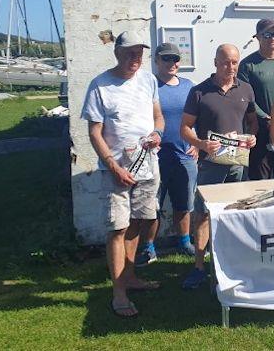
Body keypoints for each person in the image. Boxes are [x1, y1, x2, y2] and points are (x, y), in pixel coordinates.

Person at [80, 30, 164, 318]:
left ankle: (129, 277)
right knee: (117, 229)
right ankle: (118, 293)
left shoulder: (149, 80)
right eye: (129, 53)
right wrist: (113, 166)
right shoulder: (100, 86)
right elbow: (94, 132)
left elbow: (158, 117)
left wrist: (157, 133)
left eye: (139, 53)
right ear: (117, 53)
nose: (135, 59)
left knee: (141, 222)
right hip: (115, 170)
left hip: (147, 165)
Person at [180, 44, 258, 289]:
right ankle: (199, 266)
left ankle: (228, 262)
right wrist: (201, 143)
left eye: (234, 62)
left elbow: (252, 122)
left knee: (233, 213)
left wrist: (252, 137)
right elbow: (184, 128)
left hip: (237, 164)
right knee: (202, 215)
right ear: (215, 63)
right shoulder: (199, 92)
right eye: (225, 62)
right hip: (210, 165)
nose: (230, 67)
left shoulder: (245, 88)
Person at [135, 43, 197, 267]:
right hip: (156, 158)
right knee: (152, 206)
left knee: (184, 204)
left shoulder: (189, 86)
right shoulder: (148, 86)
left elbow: (196, 118)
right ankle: (149, 248)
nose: (172, 63)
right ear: (157, 61)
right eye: (167, 58)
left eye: (176, 59)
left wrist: (197, 144)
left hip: (185, 156)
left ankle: (185, 242)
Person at [238, 19, 274, 179]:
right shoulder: (247, 65)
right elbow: (246, 96)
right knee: (260, 180)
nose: (273, 38)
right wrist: (265, 117)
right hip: (260, 131)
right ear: (258, 38)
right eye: (267, 34)